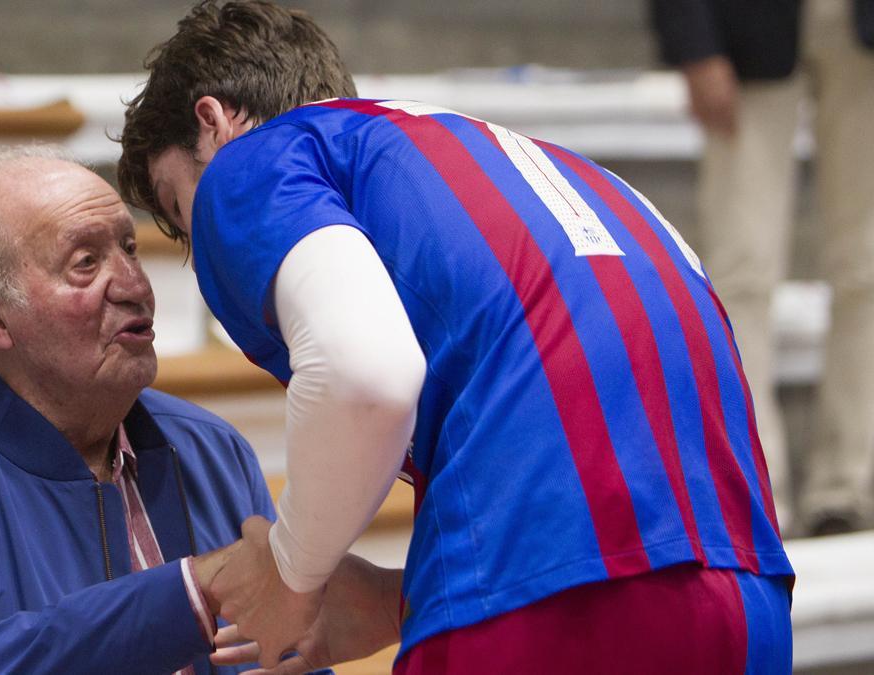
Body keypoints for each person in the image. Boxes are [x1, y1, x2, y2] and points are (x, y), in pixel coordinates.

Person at [117, 2, 795, 673]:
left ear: (214, 121)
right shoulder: (568, 175)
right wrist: (398, 602)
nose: (198, 238)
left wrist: (290, 572)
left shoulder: (251, 162)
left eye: (181, 206)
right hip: (747, 600)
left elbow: (366, 376)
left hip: (548, 608)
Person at [0, 144, 277, 674]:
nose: (135, 286)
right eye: (85, 263)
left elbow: (295, 658)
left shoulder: (212, 449)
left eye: (130, 248)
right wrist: (187, 597)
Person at [650, 0, 874, 535]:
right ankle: (753, 486)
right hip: (748, 28)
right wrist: (693, 43)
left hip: (861, 35)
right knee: (741, 266)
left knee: (866, 268)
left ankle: (848, 486)